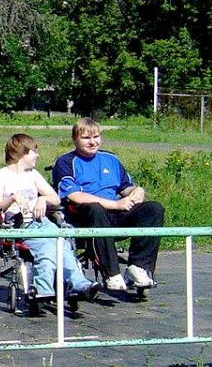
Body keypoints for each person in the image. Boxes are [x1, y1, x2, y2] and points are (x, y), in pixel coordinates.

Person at [52, 117, 163, 292]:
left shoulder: (111, 159)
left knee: (153, 209)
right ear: (75, 139)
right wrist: (116, 204)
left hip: (115, 211)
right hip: (84, 215)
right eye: (86, 138)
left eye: (96, 137)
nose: (92, 142)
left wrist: (136, 191)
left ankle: (138, 267)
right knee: (96, 208)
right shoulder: (65, 162)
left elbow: (125, 187)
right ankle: (111, 273)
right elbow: (75, 196)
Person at [0, 133, 100, 302]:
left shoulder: (33, 175)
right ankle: (43, 288)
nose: (38, 155)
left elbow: (55, 198)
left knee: (62, 244)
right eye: (34, 151)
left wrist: (42, 199)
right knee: (46, 247)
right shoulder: (1, 175)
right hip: (18, 225)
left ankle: (80, 284)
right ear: (22, 152)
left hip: (41, 221)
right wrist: (12, 198)